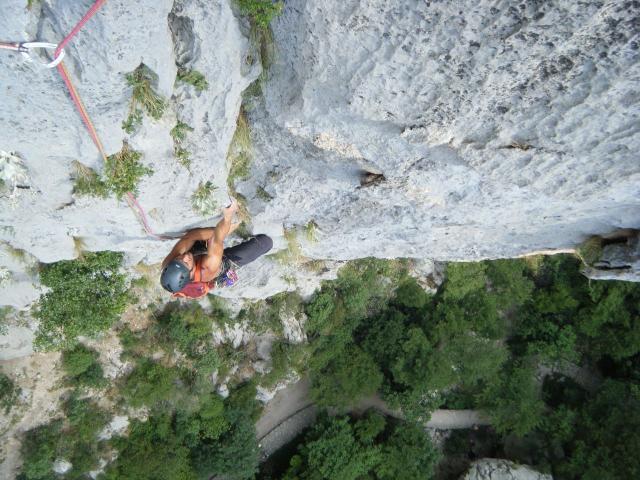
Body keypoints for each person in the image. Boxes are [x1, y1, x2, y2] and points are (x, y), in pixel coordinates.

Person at [160, 198, 273, 298]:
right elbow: (217, 237)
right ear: (189, 273)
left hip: (197, 253)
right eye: (185, 263)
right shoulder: (208, 267)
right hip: (222, 264)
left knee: (202, 237)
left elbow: (189, 237)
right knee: (266, 242)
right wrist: (228, 217)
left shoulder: (169, 263)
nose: (184, 257)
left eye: (179, 259)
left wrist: (223, 229)